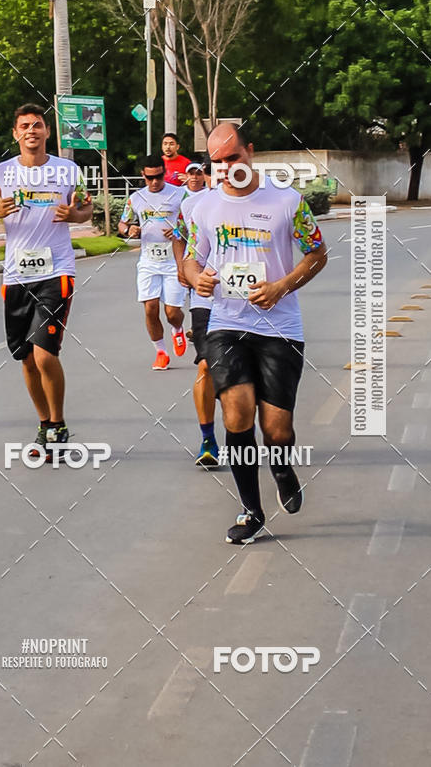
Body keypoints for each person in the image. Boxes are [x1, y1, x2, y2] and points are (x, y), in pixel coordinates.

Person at [183, 123, 327, 543]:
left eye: (233, 157)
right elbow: (191, 260)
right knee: (236, 412)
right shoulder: (204, 207)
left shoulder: (288, 202)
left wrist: (282, 285)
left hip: (280, 326)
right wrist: (197, 280)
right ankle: (251, 509)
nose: (227, 167)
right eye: (218, 161)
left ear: (250, 151)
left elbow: (317, 254)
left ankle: (281, 466)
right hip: (227, 323)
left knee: (277, 429)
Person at [0, 103, 92, 459]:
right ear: (16, 133)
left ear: (47, 132)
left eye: (38, 125)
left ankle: (58, 424)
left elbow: (86, 208)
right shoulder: (0, 174)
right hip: (16, 275)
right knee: (25, 357)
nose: (32, 131)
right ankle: (44, 424)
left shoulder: (68, 170)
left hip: (56, 271)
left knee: (44, 354)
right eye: (25, 126)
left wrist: (74, 214)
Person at [118, 154, 187, 370]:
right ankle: (161, 352)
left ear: (164, 172)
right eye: (150, 178)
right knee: (150, 308)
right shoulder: (136, 198)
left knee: (172, 313)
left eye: (158, 176)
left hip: (173, 259)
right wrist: (129, 229)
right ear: (143, 176)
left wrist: (177, 230)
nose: (155, 182)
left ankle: (177, 329)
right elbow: (122, 223)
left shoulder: (180, 194)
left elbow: (193, 225)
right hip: (148, 260)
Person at [173, 159, 220, 466]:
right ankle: (208, 440)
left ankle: (245, 433)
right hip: (206, 298)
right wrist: (185, 269)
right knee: (205, 367)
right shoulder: (195, 205)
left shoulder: (260, 199)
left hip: (247, 301)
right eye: (219, 165)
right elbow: (181, 236)